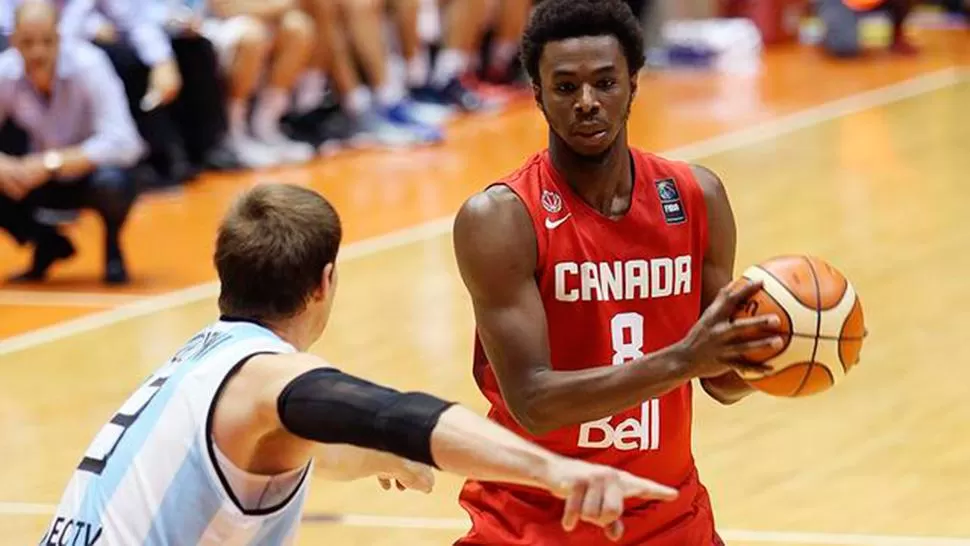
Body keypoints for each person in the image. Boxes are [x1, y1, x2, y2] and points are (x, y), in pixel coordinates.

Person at [40, 182, 680, 545]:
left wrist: (379, 459)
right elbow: (396, 414)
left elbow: (288, 447)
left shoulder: (198, 363)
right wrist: (560, 471)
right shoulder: (268, 376)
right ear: (325, 281)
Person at [450, 0, 782, 544]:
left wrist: (782, 354)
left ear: (634, 83)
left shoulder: (698, 196)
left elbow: (721, 381)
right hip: (532, 524)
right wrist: (683, 360)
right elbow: (534, 404)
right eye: (564, 87)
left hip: (672, 520)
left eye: (605, 82)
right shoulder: (502, 219)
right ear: (536, 92)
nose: (587, 103)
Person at [0, 0, 143, 283]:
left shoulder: (90, 64)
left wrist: (52, 163)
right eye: (27, 42)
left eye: (46, 41)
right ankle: (45, 241)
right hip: (37, 179)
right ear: (13, 40)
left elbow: (125, 142)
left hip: (88, 174)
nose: (37, 52)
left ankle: (113, 246)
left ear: (59, 37)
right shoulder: (6, 72)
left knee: (113, 183)